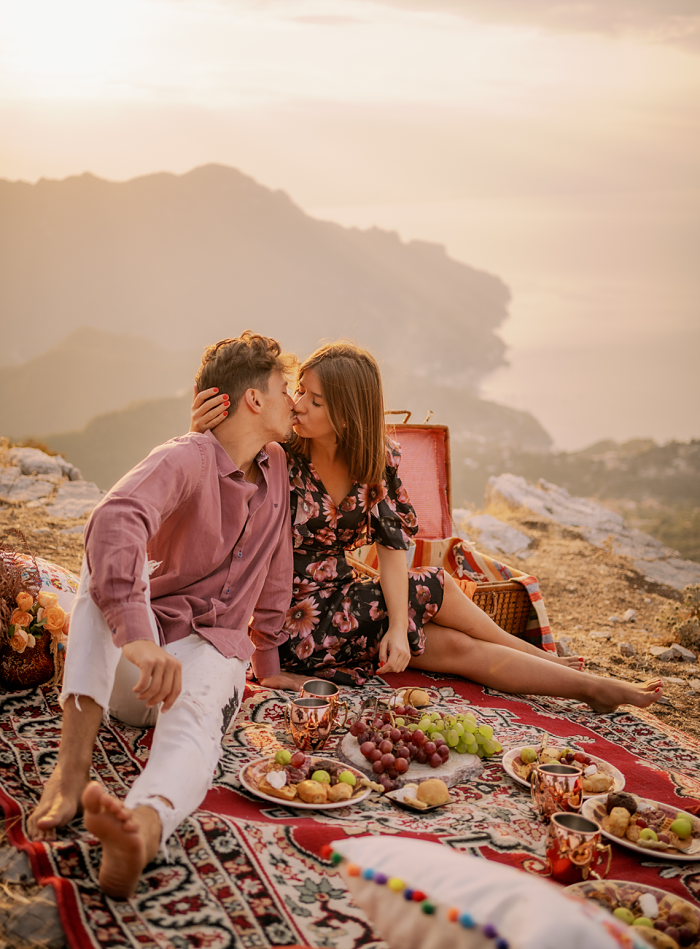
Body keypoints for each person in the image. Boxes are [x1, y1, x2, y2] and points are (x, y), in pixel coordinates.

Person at [191, 341, 663, 714]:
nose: (297, 406)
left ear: (348, 414)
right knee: (436, 585)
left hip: (350, 601)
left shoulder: (377, 460)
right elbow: (217, 476)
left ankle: (586, 687)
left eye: (314, 401)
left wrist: (398, 626)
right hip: (293, 624)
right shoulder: (279, 455)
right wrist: (200, 433)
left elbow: (394, 545)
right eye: (299, 392)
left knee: (456, 646)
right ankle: (551, 661)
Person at [27, 332, 297, 900]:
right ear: (252, 399)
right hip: (136, 671)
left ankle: (143, 827)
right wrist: (139, 635)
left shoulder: (277, 468)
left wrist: (267, 659)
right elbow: (114, 518)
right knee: (99, 562)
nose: (293, 400)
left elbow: (277, 570)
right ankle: (71, 770)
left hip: (206, 663)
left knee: (199, 725)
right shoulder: (186, 455)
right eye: (283, 389)